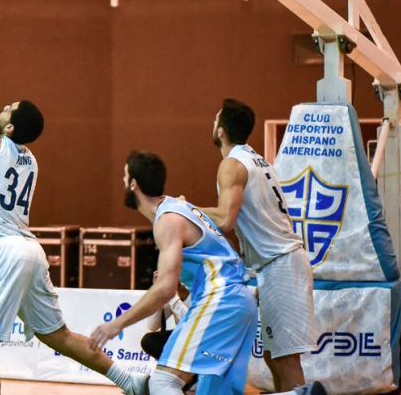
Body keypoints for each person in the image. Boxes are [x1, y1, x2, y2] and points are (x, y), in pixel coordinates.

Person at [0, 13, 148, 395]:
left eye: (7, 108)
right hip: (30, 251)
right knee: (57, 335)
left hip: (2, 253)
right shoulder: (29, 161)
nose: (1, 108)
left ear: (8, 127)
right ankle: (130, 381)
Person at [89, 151, 325, 395]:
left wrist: (117, 324)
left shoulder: (168, 220)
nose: (122, 181)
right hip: (237, 299)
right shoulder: (179, 208)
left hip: (221, 299)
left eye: (124, 176)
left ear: (133, 184)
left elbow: (165, 289)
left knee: (163, 382)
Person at [199, 99, 317, 391]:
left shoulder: (232, 165)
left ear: (221, 130)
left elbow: (225, 219)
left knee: (285, 359)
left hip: (281, 264)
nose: (213, 124)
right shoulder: (256, 159)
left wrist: (184, 210)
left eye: (215, 120)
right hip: (274, 265)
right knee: (272, 356)